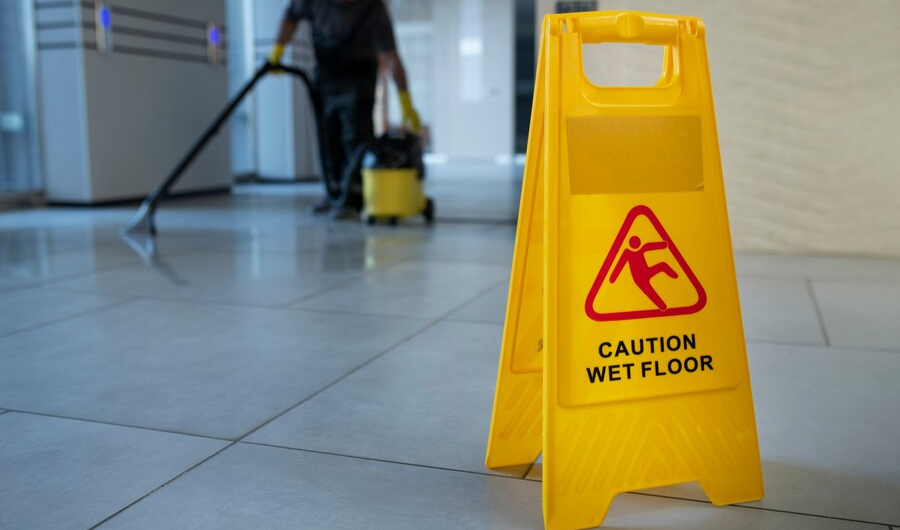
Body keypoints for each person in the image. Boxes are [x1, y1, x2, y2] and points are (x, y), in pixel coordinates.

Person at [269, 0, 420, 215]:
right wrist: (278, 48)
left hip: (360, 79)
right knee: (327, 139)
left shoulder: (372, 7)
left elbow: (391, 55)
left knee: (355, 138)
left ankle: (354, 198)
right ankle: (334, 195)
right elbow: (290, 17)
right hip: (326, 76)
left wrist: (405, 100)